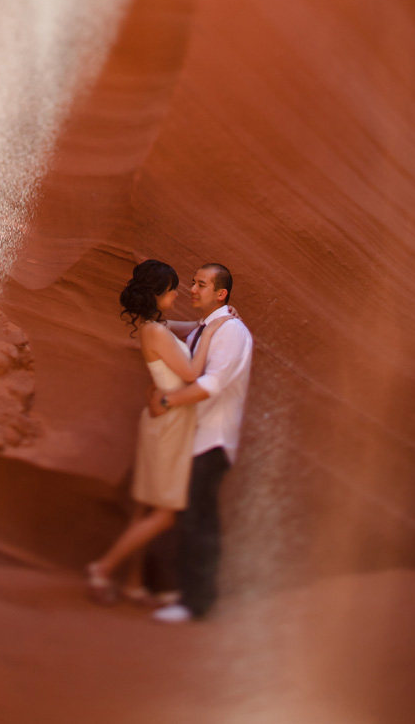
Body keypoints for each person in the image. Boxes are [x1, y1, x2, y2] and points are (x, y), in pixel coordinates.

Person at [86, 259, 233, 604]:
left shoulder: (156, 326)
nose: (178, 293)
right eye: (171, 290)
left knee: (146, 507)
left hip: (165, 419)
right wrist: (213, 331)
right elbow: (193, 371)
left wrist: (207, 323)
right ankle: (103, 569)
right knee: (165, 513)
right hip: (169, 424)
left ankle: (134, 583)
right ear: (157, 294)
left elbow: (186, 329)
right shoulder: (156, 332)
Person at [149, 262, 253, 624]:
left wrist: (167, 402)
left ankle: (198, 602)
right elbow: (172, 331)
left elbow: (212, 384)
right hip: (195, 438)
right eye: (193, 283)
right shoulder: (209, 327)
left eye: (201, 284)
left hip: (213, 440)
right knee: (191, 518)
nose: (193, 289)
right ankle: (190, 593)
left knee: (198, 521)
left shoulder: (232, 332)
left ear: (221, 293)